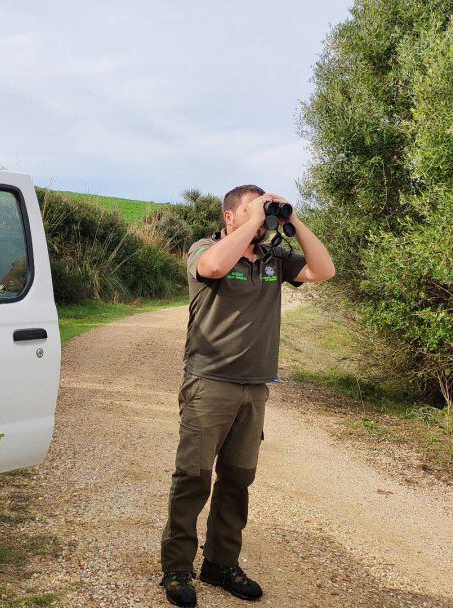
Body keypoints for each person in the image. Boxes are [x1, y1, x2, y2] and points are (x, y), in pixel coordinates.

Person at [160, 184, 335, 606]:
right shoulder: (205, 248)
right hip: (209, 383)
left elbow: (324, 270)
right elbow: (214, 267)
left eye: (266, 210)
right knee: (193, 478)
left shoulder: (275, 258)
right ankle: (177, 568)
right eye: (253, 209)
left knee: (237, 480)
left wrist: (292, 220)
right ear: (230, 217)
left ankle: (220, 563)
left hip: (254, 388)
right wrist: (255, 220)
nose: (262, 217)